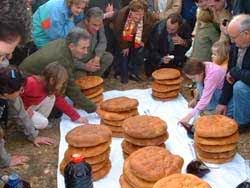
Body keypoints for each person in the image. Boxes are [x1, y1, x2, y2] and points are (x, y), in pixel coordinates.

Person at [20, 28, 97, 113]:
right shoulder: (61, 59)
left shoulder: (63, 43)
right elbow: (71, 88)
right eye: (83, 48)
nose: (86, 52)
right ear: (71, 46)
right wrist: (93, 108)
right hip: (26, 82)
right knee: (57, 112)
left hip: (32, 73)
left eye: (87, 48)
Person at [0, 67, 55, 168]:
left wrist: (33, 135)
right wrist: (5, 161)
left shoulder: (10, 93)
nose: (22, 91)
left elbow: (21, 114)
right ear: (6, 93)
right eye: (20, 90)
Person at [21, 62, 88, 129]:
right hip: (21, 110)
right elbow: (14, 97)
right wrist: (24, 109)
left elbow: (60, 101)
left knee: (52, 98)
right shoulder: (31, 83)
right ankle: (25, 126)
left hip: (31, 107)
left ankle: (36, 123)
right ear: (52, 80)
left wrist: (76, 117)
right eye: (61, 83)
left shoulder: (48, 86)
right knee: (43, 122)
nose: (61, 85)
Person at [216, 14, 250, 128]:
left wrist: (235, 72)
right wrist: (223, 102)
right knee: (223, 114)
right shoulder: (236, 47)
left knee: (240, 86)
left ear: (246, 34)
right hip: (243, 92)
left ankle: (241, 123)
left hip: (244, 88)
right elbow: (229, 75)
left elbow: (233, 72)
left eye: (234, 37)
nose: (232, 41)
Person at [111, 0, 156, 83]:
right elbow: (118, 31)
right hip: (123, 34)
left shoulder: (148, 17)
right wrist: (125, 46)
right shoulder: (122, 15)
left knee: (138, 51)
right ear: (131, 12)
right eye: (136, 14)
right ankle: (121, 73)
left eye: (141, 14)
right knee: (124, 52)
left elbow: (148, 29)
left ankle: (133, 72)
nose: (138, 17)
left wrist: (142, 40)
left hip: (138, 34)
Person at [76, 7, 113, 78]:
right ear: (86, 21)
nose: (97, 28)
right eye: (94, 25)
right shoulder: (77, 32)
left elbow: (103, 41)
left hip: (92, 55)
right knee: (81, 79)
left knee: (108, 57)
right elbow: (70, 60)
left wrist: (97, 57)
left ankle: (94, 78)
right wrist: (85, 66)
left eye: (99, 25)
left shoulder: (99, 23)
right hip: (80, 62)